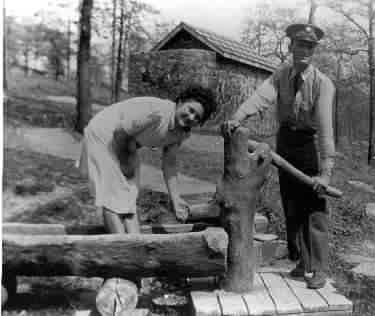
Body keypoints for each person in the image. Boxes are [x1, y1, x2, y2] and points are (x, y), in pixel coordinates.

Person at [222, 23, 335, 289]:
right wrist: (237, 117)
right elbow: (260, 98)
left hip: (308, 145)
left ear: (314, 50)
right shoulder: (281, 75)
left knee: (313, 209)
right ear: (291, 46)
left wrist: (325, 171)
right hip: (285, 141)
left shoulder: (323, 84)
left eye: (310, 46)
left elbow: (326, 130)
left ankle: (318, 268)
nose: (304, 50)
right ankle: (302, 263)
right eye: (300, 44)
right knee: (292, 205)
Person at [77, 85, 217, 234]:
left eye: (197, 118)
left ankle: (136, 244)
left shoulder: (181, 133)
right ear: (181, 102)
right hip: (104, 134)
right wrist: (126, 164)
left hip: (127, 143)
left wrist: (175, 199)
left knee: (129, 198)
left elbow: (169, 164)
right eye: (191, 110)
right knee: (113, 199)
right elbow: (120, 133)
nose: (191, 117)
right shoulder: (158, 112)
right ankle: (124, 248)